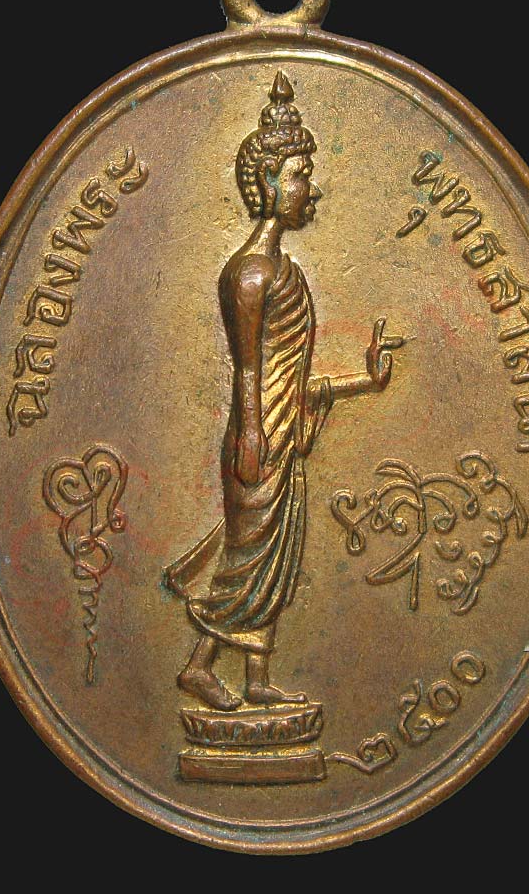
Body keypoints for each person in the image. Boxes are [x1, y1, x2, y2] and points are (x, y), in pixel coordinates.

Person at [164, 71, 402, 710]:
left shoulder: (287, 270)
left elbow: (296, 381)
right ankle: (197, 668)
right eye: (299, 175)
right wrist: (251, 434)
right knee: (247, 557)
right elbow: (247, 369)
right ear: (268, 183)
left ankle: (257, 679)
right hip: (259, 440)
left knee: (276, 559)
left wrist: (367, 379)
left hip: (282, 432)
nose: (310, 188)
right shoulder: (248, 275)